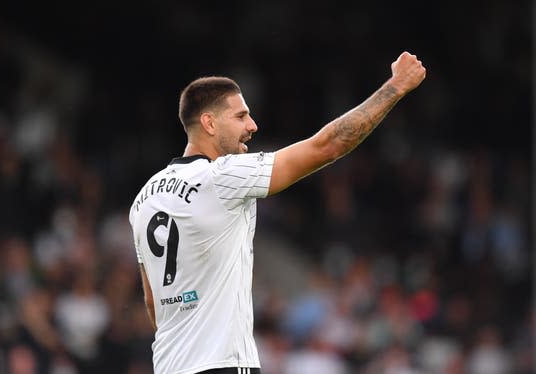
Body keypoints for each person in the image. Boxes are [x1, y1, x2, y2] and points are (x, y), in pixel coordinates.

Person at [129, 51, 426, 374]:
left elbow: (152, 302)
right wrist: (396, 86)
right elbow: (327, 146)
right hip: (224, 364)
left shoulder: (144, 199)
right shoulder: (223, 176)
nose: (252, 126)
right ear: (209, 123)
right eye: (241, 116)